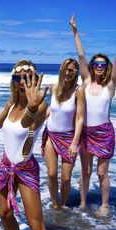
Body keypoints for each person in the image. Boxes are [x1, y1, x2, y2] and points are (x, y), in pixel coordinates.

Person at [0, 60, 48, 230]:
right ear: (13, 81)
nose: (23, 82)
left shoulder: (41, 106)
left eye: (28, 77)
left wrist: (32, 107)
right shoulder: (12, 104)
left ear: (35, 79)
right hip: (6, 165)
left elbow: (26, 122)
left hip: (25, 168)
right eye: (18, 78)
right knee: (5, 213)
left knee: (36, 225)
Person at [70, 14, 116, 216]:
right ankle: (82, 203)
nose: (99, 66)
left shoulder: (111, 85)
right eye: (96, 63)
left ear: (107, 67)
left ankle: (105, 205)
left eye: (103, 64)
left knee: (101, 172)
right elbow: (81, 56)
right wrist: (76, 32)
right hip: (86, 132)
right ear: (92, 66)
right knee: (86, 171)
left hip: (104, 132)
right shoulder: (86, 82)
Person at [41, 58, 85, 209]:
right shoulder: (54, 88)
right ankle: (55, 204)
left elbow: (79, 118)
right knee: (52, 174)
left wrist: (74, 142)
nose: (68, 72)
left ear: (76, 72)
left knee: (66, 178)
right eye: (65, 69)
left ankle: (64, 204)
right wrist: (34, 122)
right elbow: (50, 111)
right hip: (51, 136)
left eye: (71, 70)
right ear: (61, 70)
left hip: (69, 138)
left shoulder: (78, 91)